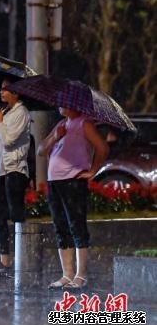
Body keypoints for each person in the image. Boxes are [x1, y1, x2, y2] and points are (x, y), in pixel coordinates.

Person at [38, 107, 109, 290]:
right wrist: (55, 136)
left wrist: (92, 171)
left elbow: (102, 148)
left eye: (64, 101)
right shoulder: (61, 124)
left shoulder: (84, 124)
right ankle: (67, 274)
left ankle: (80, 275)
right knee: (60, 227)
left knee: (76, 226)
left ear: (74, 104)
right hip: (55, 182)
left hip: (73, 182)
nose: (60, 105)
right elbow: (40, 150)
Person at [0, 78, 31, 279]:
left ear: (17, 93)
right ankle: (5, 263)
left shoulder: (22, 113)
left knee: (16, 215)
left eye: (7, 89)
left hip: (14, 170)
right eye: (1, 88)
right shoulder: (7, 112)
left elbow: (10, 140)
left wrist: (0, 122)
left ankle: (21, 261)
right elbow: (0, 140)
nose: (2, 92)